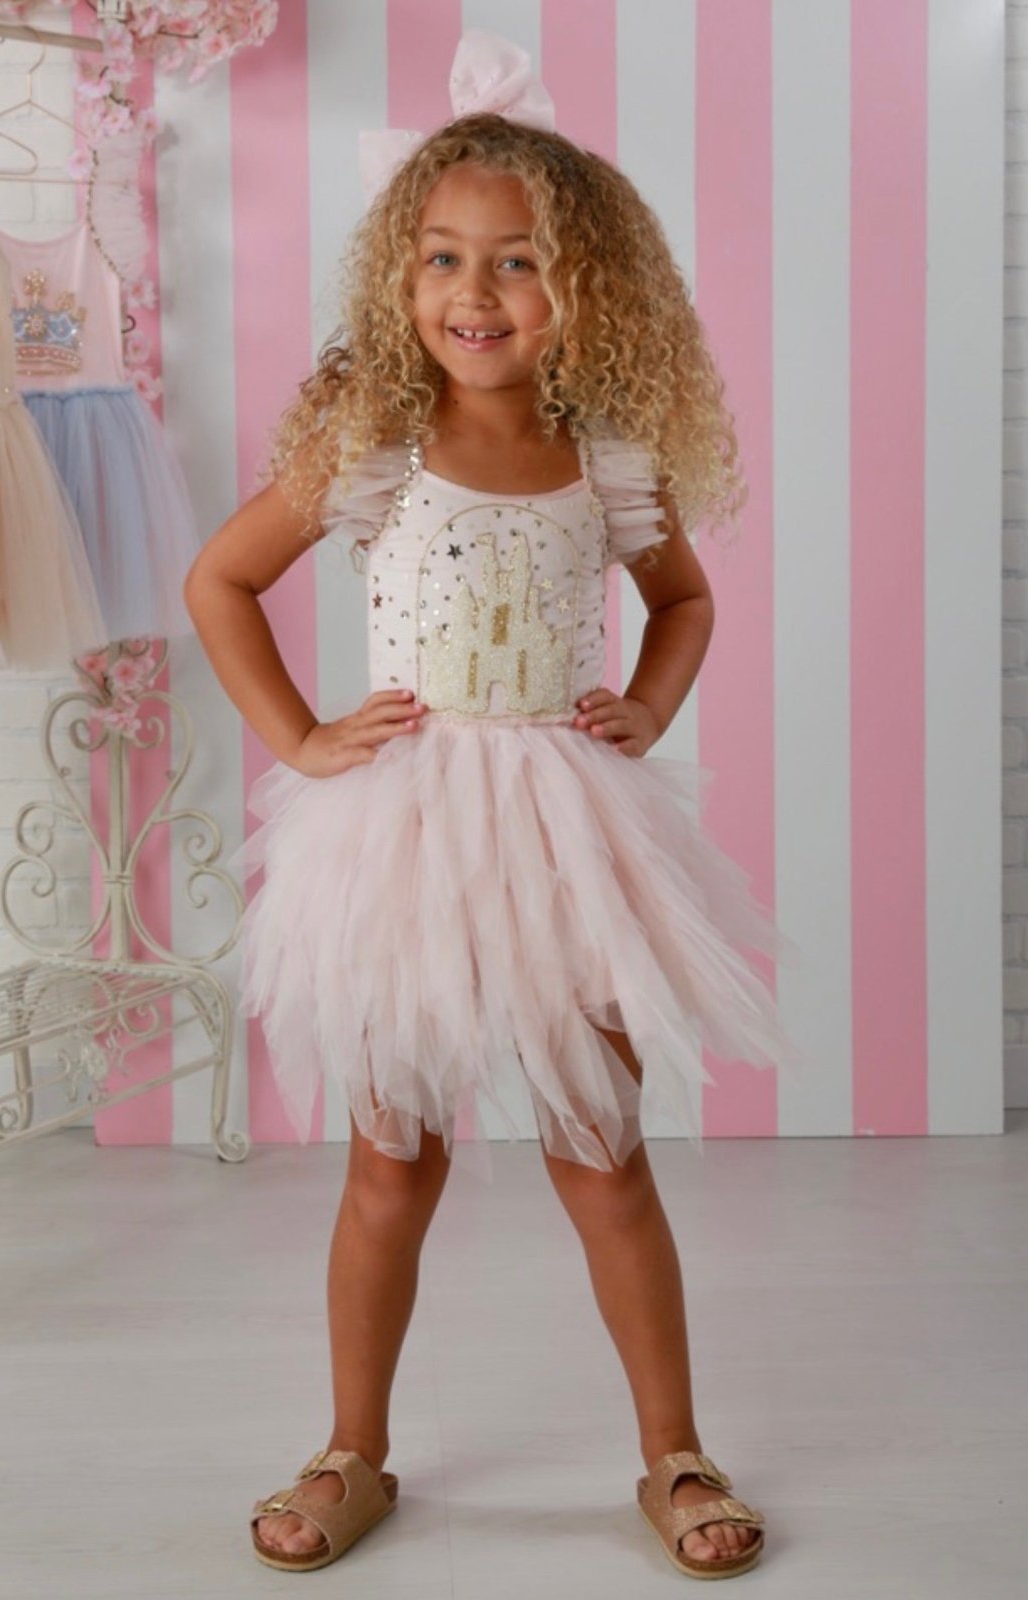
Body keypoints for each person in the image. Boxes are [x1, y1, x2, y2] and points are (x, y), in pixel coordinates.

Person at [184, 33, 802, 1582]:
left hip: (564, 832)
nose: (479, 290)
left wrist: (647, 708)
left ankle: (674, 1450)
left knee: (602, 1149)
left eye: (520, 261)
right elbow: (221, 582)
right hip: (404, 829)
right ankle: (352, 1447)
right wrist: (301, 737)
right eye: (446, 257)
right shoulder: (373, 444)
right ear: (403, 275)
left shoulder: (608, 453)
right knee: (392, 1160)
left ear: (585, 284)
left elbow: (685, 601)